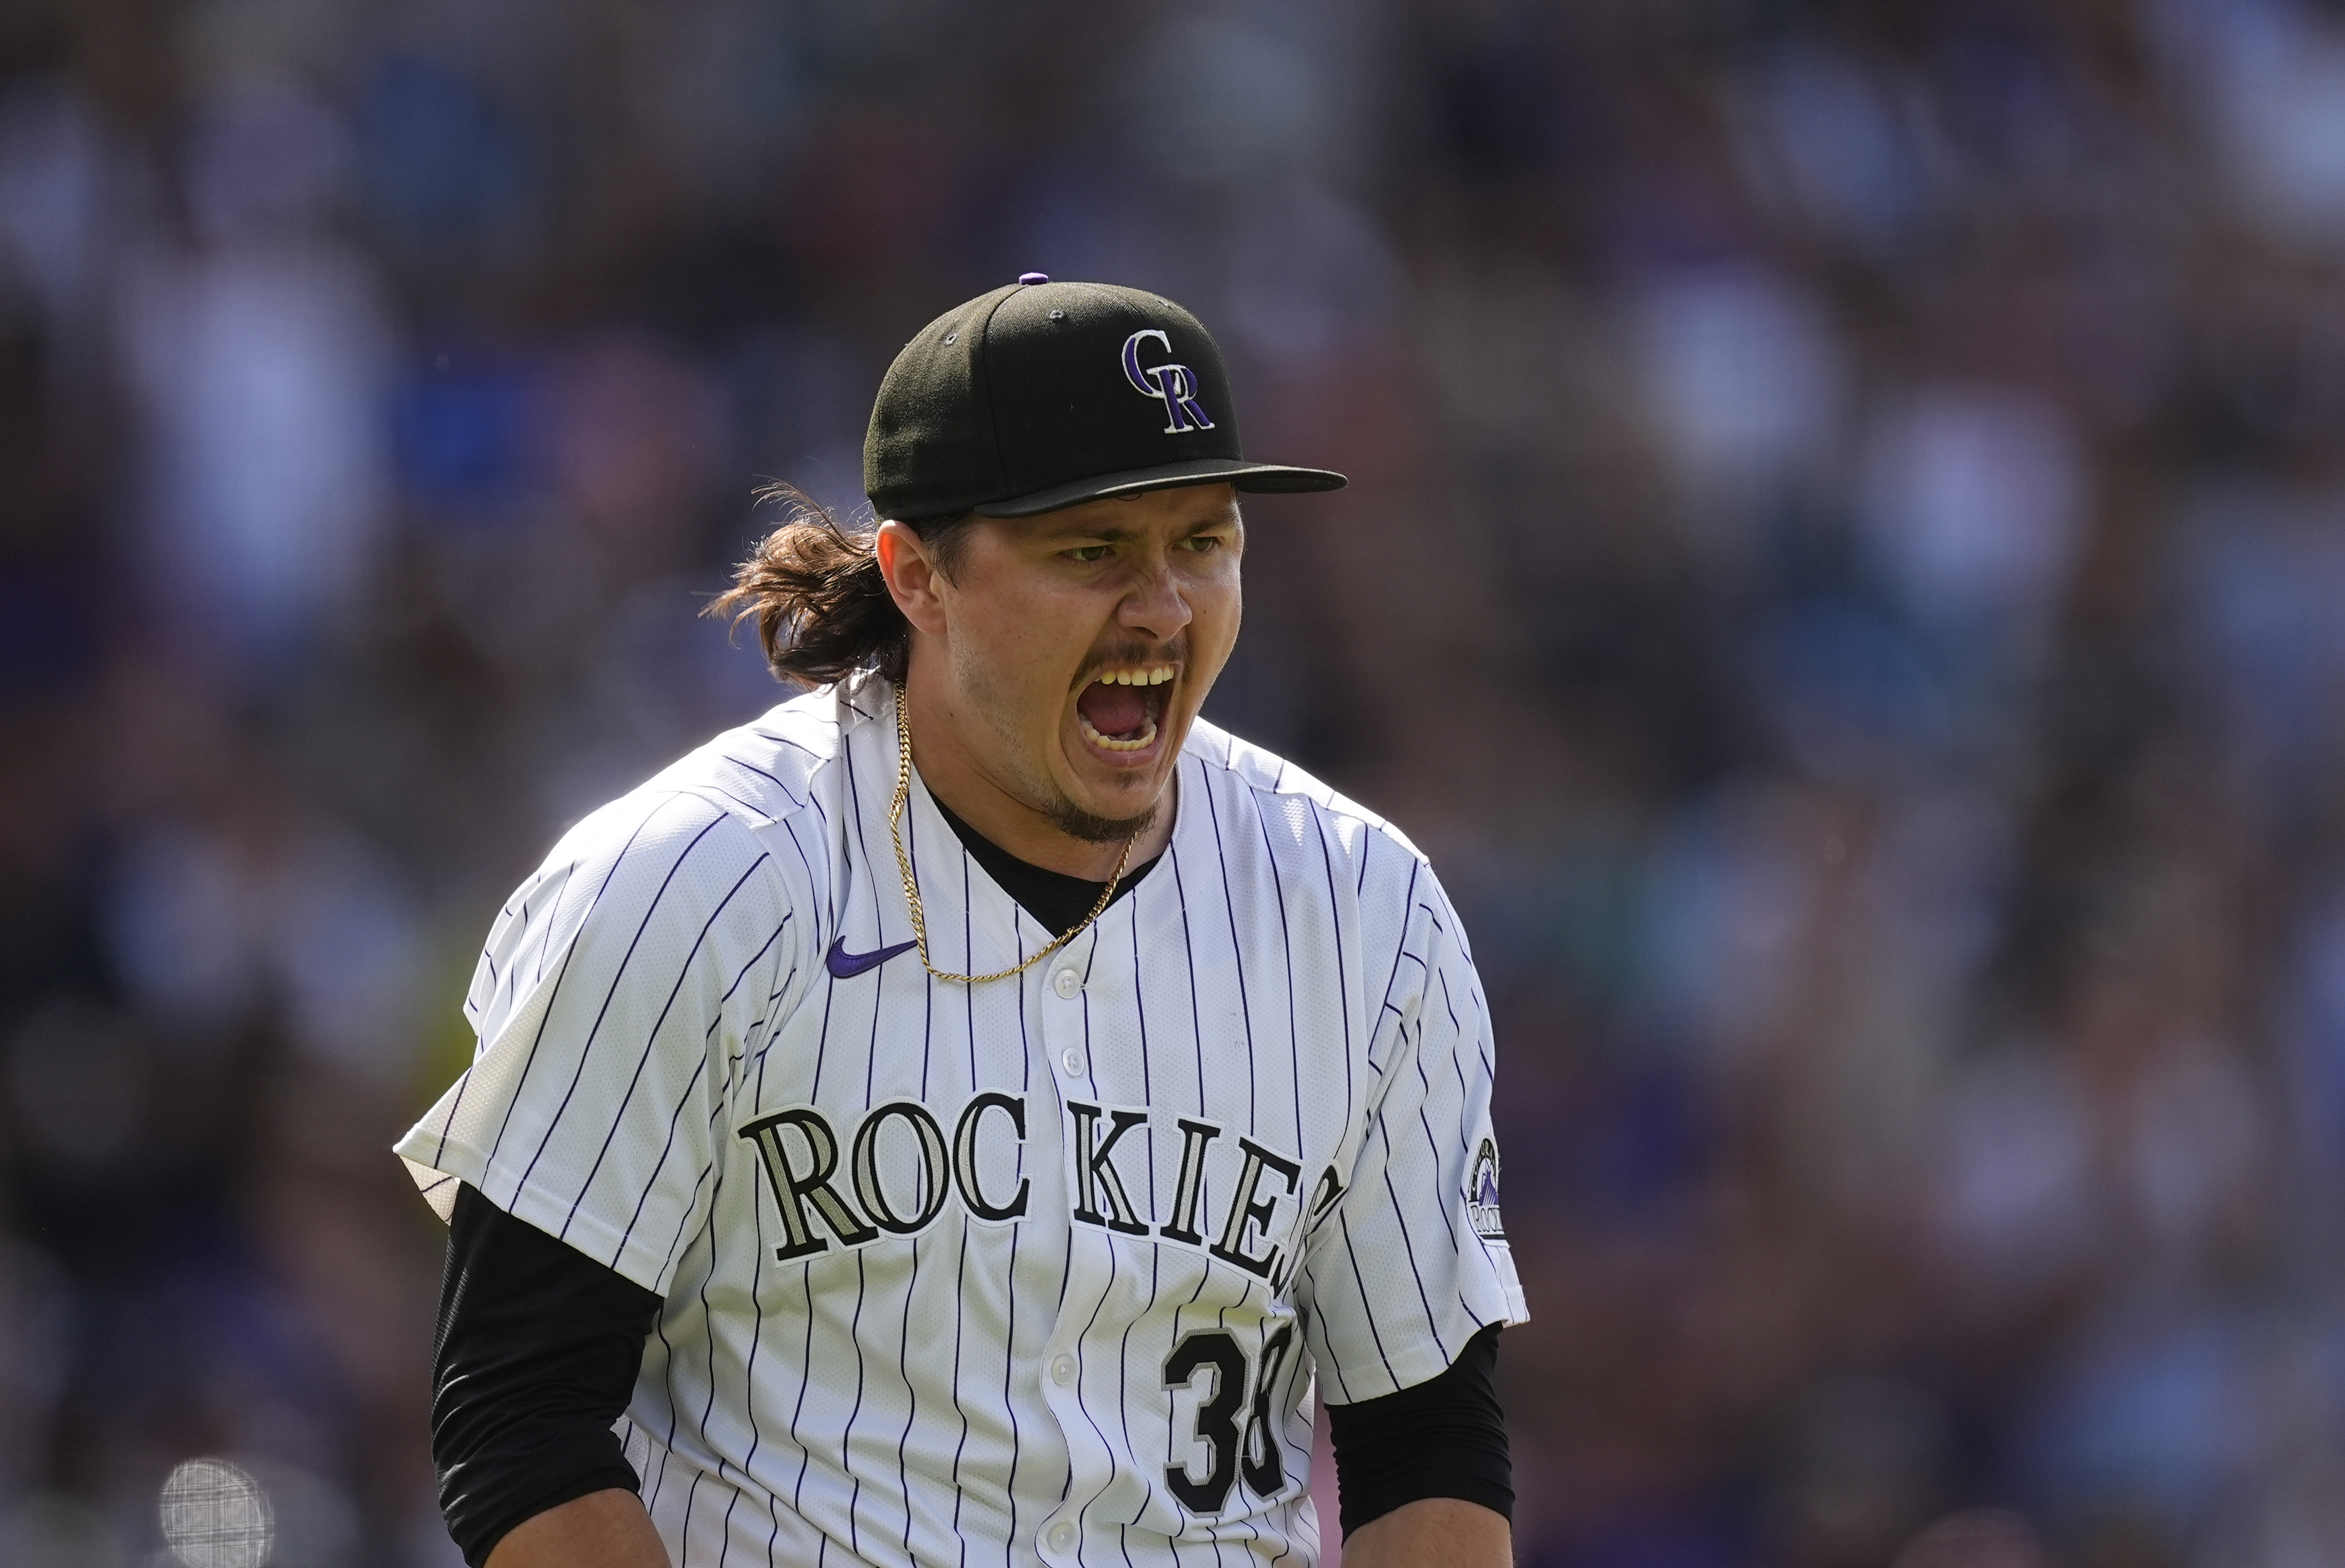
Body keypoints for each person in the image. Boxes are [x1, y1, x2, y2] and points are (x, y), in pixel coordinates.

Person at [399, 276, 1527, 1568]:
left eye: (1202, 542)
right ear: (918, 575)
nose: (1161, 607)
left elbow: (1428, 1444)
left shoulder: (1365, 910)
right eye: (1092, 550)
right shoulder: (695, 883)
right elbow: (518, 1419)